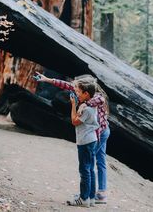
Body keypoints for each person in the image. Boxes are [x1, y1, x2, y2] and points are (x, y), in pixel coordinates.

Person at [35, 72, 110, 203]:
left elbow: (100, 100)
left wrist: (83, 105)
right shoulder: (86, 90)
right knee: (96, 162)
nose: (75, 90)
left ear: (87, 87)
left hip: (99, 133)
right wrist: (47, 79)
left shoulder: (97, 96)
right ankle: (94, 195)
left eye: (78, 88)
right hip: (100, 131)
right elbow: (66, 85)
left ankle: (88, 195)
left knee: (89, 164)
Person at [66, 79, 100, 207]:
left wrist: (73, 105)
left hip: (85, 141)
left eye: (79, 92)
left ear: (86, 94)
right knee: (90, 169)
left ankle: (83, 198)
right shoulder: (90, 106)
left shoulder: (86, 110)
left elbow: (74, 121)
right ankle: (90, 197)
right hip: (91, 140)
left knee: (84, 170)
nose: (76, 93)